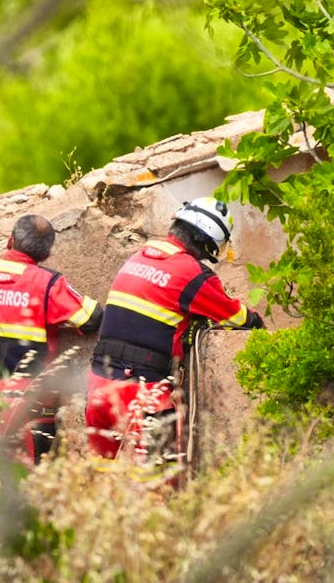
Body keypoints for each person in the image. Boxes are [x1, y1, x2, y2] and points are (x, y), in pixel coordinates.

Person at [85, 197, 264, 466]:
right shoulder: (192, 273)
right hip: (143, 391)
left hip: (98, 385)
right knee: (159, 482)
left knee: (99, 476)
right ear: (207, 240)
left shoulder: (137, 257)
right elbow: (235, 316)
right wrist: (257, 321)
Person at [0, 214, 103, 464]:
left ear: (10, 240)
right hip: (30, 401)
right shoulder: (47, 283)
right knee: (32, 482)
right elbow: (91, 318)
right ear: (46, 255)